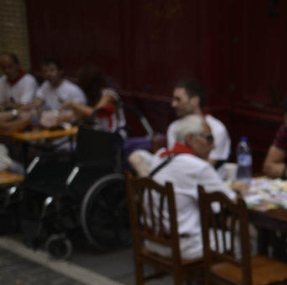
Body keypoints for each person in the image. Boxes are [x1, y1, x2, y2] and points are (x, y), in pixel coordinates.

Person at [128, 114, 239, 259]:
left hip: (153, 240)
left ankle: (203, 277)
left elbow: (137, 155)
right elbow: (232, 202)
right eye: (209, 139)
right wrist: (238, 190)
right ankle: (220, 280)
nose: (214, 146)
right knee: (236, 242)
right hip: (183, 245)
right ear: (190, 138)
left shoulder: (162, 155)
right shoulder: (198, 167)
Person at [166, 78, 231, 174]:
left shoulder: (217, 129)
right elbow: (174, 162)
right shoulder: (174, 127)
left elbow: (207, 169)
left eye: (178, 99)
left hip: (210, 183)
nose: (173, 104)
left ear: (195, 100)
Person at [61, 64, 127, 138]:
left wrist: (72, 103)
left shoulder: (109, 95)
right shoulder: (93, 97)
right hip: (100, 133)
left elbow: (94, 113)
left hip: (115, 135)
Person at [32, 56, 87, 128]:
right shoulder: (45, 86)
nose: (48, 74)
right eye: (45, 71)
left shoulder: (73, 90)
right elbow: (36, 103)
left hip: (69, 128)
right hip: (50, 125)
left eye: (52, 70)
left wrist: (63, 118)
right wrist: (36, 109)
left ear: (60, 71)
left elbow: (81, 115)